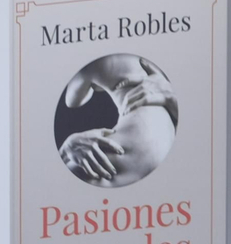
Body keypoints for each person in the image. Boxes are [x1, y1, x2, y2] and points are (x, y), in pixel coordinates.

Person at [57, 55, 178, 188]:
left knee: (73, 173)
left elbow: (72, 101)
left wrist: (92, 80)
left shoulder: (88, 64)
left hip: (132, 145)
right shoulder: (150, 63)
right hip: (161, 137)